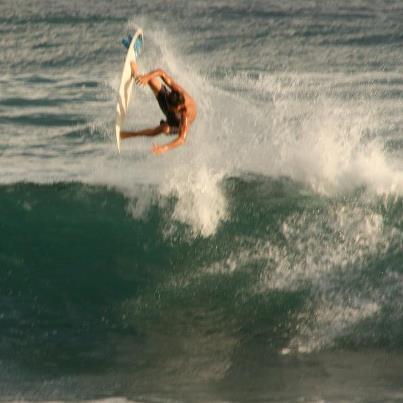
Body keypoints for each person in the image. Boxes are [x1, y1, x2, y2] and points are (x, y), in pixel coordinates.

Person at [120, 62, 197, 155]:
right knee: (151, 80)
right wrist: (146, 77)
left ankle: (129, 135)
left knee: (164, 129)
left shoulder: (185, 116)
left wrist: (164, 148)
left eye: (170, 107)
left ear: (178, 107)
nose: (168, 108)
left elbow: (181, 139)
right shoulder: (178, 91)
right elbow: (161, 72)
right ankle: (136, 74)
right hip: (173, 102)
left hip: (176, 122)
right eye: (168, 106)